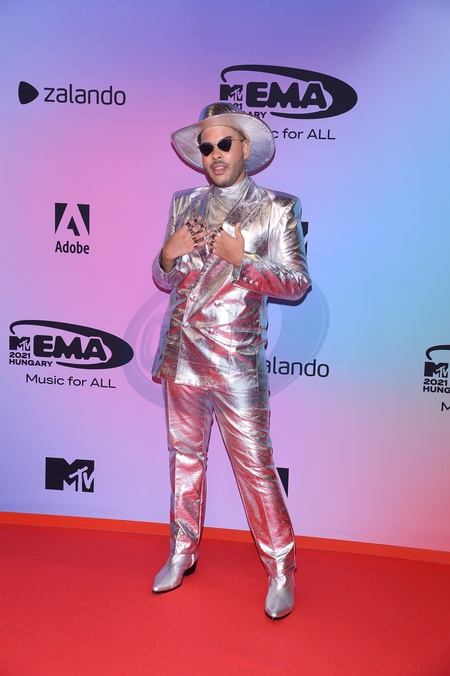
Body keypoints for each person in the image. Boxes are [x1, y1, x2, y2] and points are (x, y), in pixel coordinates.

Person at [151, 102, 311, 619]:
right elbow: (165, 278)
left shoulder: (277, 207)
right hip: (183, 355)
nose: (215, 154)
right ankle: (182, 551)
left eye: (224, 144)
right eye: (207, 147)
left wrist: (245, 262)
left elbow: (297, 283)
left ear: (244, 147)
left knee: (255, 467)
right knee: (184, 460)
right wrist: (168, 253)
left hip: (237, 360)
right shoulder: (185, 203)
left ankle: (281, 567)